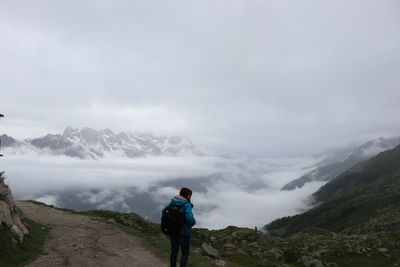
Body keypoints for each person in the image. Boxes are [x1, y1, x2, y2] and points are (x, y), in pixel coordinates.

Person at [163, 187, 196, 267]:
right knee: (185, 254)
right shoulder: (186, 204)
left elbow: (164, 211)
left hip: (173, 231)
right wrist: (193, 221)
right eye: (190, 195)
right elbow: (189, 219)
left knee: (174, 251)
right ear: (187, 195)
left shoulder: (173, 202)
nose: (190, 197)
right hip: (184, 233)